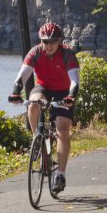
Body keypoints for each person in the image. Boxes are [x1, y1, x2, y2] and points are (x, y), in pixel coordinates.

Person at [9, 22, 80, 194]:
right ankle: (37, 139)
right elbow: (23, 75)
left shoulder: (68, 54)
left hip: (64, 92)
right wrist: (15, 92)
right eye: (45, 42)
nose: (48, 46)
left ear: (59, 41)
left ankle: (60, 175)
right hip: (43, 88)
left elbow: (74, 81)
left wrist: (70, 97)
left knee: (62, 130)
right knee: (33, 104)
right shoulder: (35, 52)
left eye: (52, 42)